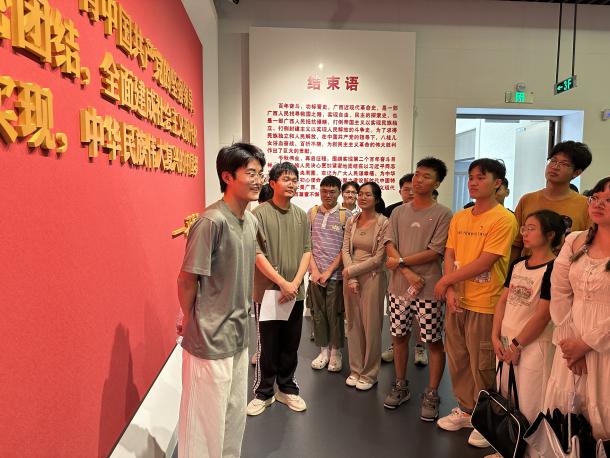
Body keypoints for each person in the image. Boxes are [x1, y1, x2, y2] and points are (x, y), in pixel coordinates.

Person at [177, 143, 265, 457]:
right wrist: (190, 319)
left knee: (232, 417)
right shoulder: (211, 221)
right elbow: (187, 279)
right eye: (250, 173)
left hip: (238, 335)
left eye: (260, 173)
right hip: (209, 338)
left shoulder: (250, 221)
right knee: (203, 425)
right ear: (227, 177)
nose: (258, 180)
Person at [434, 158, 518, 449]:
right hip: (457, 299)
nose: (473, 182)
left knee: (482, 364)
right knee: (458, 358)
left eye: (481, 177)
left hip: (485, 302)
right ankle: (467, 410)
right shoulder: (460, 217)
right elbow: (450, 253)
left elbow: (486, 261)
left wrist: (446, 281)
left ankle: (487, 418)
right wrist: (450, 287)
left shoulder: (503, 219)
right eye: (471, 177)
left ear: (497, 183)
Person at [486, 210, 565, 458]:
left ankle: (530, 453)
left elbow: (543, 315)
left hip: (533, 346)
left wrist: (517, 345)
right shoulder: (518, 264)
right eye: (524, 228)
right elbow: (503, 301)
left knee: (531, 401)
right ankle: (508, 448)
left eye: (532, 228)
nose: (525, 233)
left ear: (550, 234)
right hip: (506, 343)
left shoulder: (555, 268)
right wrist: (495, 336)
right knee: (506, 397)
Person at [382, 157, 452, 422]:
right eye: (417, 174)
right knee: (398, 337)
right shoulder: (398, 212)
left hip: (429, 289)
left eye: (426, 176)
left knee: (432, 341)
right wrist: (407, 271)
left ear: (437, 183)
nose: (418, 180)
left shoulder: (443, 214)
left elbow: (435, 251)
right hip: (399, 287)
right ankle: (400, 385)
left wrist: (400, 262)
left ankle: (432, 393)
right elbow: (389, 243)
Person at [544, 176, 610, 441]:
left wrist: (586, 344)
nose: (599, 204)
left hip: (604, 346)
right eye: (596, 197)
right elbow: (559, 291)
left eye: (609, 200)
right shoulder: (575, 240)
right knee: (567, 419)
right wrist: (572, 345)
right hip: (570, 339)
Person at [247, 162, 312, 416]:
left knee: (291, 344)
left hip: (295, 292)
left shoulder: (301, 215)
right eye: (286, 179)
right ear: (272, 183)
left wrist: (294, 283)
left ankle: (286, 388)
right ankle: (263, 392)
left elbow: (307, 250)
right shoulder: (258, 214)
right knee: (268, 345)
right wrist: (282, 283)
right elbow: (257, 254)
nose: (292, 184)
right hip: (268, 293)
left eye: (295, 180)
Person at [342, 182, 389, 390]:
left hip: (373, 277)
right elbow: (345, 250)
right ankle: (355, 369)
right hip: (351, 277)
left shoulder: (384, 222)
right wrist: (351, 276)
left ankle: (369, 374)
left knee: (371, 326)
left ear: (376, 199)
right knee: (353, 324)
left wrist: (351, 272)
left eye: (367, 195)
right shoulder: (352, 220)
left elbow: (379, 258)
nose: (362, 197)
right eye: (360, 194)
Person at [511, 141, 593, 261]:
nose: (555, 167)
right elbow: (516, 244)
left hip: (565, 268)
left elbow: (589, 245)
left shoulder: (586, 205)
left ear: (576, 173)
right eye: (553, 161)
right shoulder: (527, 200)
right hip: (527, 268)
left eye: (564, 164)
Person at [382, 173, 428, 366]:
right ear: (399, 191)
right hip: (395, 271)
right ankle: (395, 345)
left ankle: (419, 347)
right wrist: (401, 265)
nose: (410, 193)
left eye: (413, 189)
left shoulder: (429, 212)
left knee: (420, 313)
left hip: (422, 273)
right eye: (406, 189)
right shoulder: (392, 211)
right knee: (396, 313)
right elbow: (388, 242)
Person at [308, 176, 352, 372]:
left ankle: (336, 352)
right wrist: (315, 271)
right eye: (324, 191)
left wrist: (328, 271)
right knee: (317, 314)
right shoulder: (312, 213)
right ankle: (323, 351)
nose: (327, 195)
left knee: (335, 314)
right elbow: (307, 245)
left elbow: (345, 249)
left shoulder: (346, 216)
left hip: (336, 276)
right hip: (315, 276)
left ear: (339, 193)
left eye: (332, 192)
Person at [251, 182, 274, 366]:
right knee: (262, 321)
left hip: (282, 281)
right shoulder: (254, 218)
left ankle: (268, 351)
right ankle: (261, 350)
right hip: (261, 280)